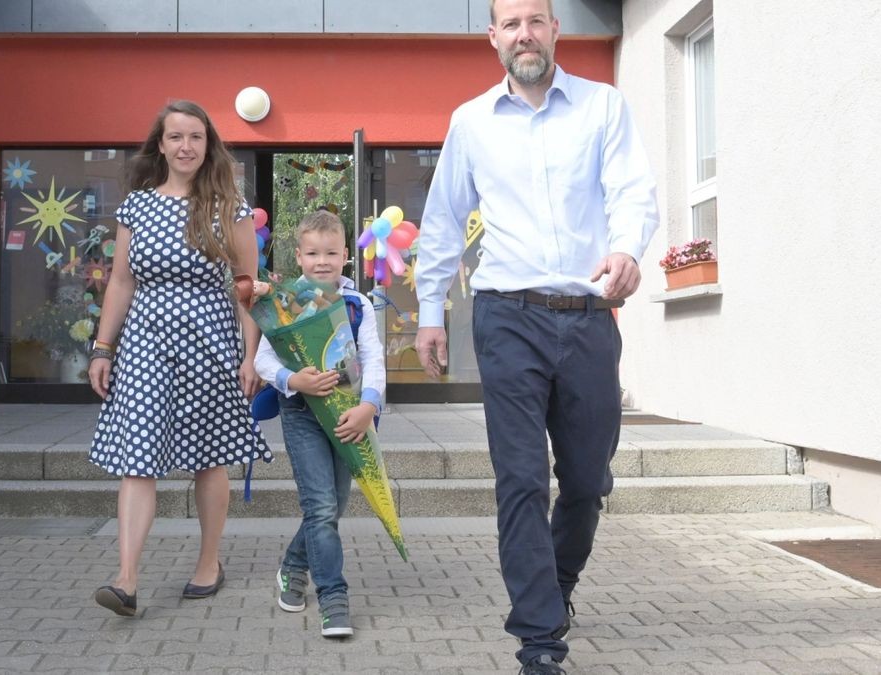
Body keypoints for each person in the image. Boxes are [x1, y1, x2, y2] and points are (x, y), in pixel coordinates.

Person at [414, 0, 660, 672]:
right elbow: (441, 222)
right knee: (520, 477)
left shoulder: (602, 106)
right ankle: (540, 639)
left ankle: (558, 584)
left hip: (587, 315)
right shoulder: (471, 122)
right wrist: (429, 311)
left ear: (555, 30)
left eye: (536, 19)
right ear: (494, 38)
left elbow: (633, 190)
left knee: (585, 481)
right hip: (507, 316)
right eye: (511, 23)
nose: (525, 33)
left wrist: (628, 249)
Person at [88, 100, 270, 617]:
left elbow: (247, 289)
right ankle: (126, 579)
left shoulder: (228, 207)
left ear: (207, 145)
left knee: (210, 455)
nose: (186, 146)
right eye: (176, 137)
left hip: (211, 339)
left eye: (195, 136)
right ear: (161, 145)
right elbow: (121, 281)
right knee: (137, 453)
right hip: (146, 340)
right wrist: (104, 347)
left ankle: (208, 562)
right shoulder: (137, 206)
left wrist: (250, 355)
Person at [254, 209, 385, 639]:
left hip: (349, 414)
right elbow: (263, 360)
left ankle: (293, 565)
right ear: (299, 256)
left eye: (331, 252)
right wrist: (293, 379)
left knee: (333, 506)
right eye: (313, 253)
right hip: (303, 415)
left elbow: (374, 361)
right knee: (322, 508)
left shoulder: (357, 304)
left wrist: (369, 407)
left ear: (346, 255)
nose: (322, 261)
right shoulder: (284, 302)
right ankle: (333, 597)